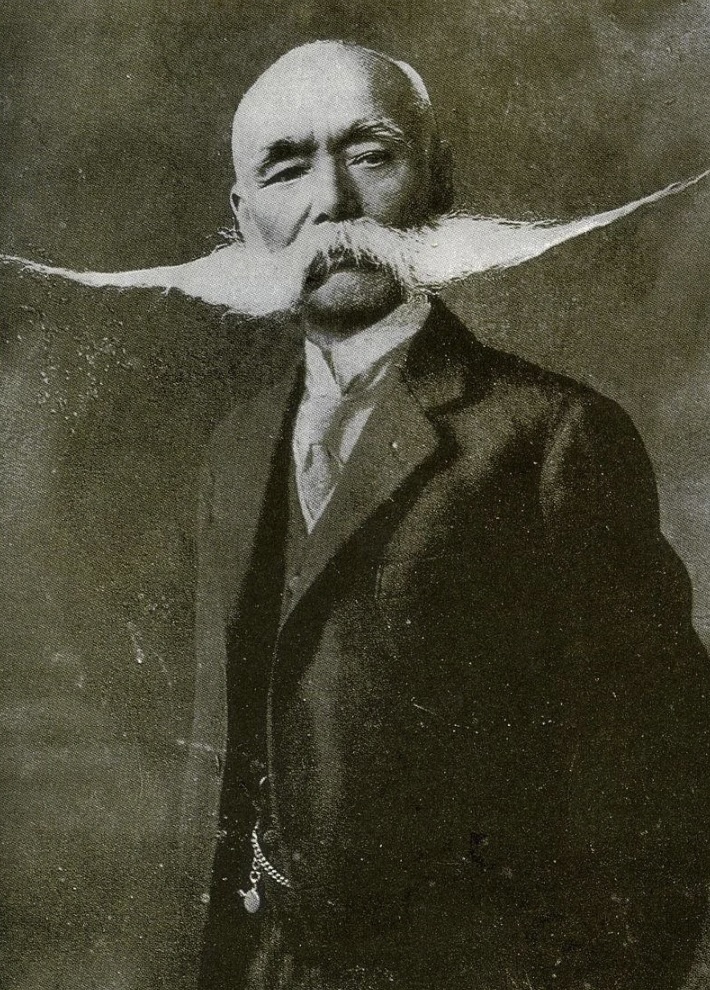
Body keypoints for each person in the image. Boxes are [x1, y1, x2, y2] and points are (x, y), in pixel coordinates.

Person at [181, 40, 710, 990]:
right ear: (245, 216)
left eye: (371, 153)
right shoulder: (231, 450)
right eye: (286, 166)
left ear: (438, 180)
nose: (332, 200)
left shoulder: (553, 436)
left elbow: (661, 796)